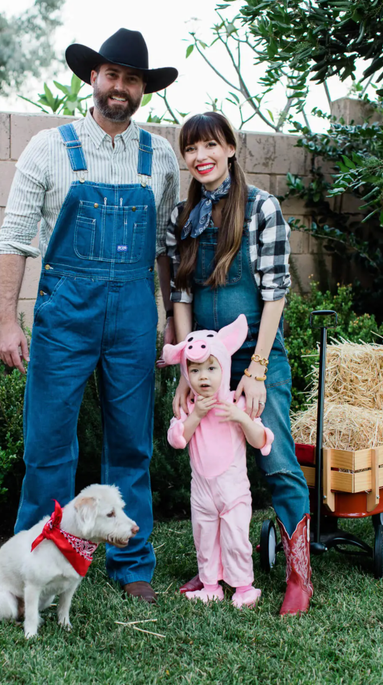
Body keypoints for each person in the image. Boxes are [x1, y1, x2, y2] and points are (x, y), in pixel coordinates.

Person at [0, 28, 180, 604]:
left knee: (130, 445)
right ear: (92, 79)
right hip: (64, 316)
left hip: (131, 313)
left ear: (143, 90)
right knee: (50, 444)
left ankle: (132, 563)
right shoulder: (48, 149)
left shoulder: (162, 156)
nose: (120, 87)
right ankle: (38, 562)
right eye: (111, 75)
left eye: (132, 79)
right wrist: (6, 320)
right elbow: (14, 238)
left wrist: (170, 318)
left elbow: (165, 250)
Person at [166, 112, 312, 616]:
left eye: (210, 145)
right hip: (203, 362)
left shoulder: (261, 208)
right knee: (210, 470)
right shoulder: (182, 217)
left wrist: (255, 371)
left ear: (229, 147)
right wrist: (188, 370)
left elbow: (275, 296)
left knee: (275, 462)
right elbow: (179, 294)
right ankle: (215, 569)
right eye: (190, 149)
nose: (200, 157)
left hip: (255, 359)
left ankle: (299, 574)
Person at [163, 316, 274, 608]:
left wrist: (241, 417)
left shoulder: (235, 402)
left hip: (233, 491)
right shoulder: (190, 406)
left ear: (223, 369)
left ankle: (243, 587)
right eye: (195, 370)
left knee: (236, 538)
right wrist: (196, 415)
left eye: (211, 368)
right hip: (202, 493)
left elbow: (261, 438)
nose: (203, 377)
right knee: (205, 537)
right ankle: (211, 585)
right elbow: (177, 439)